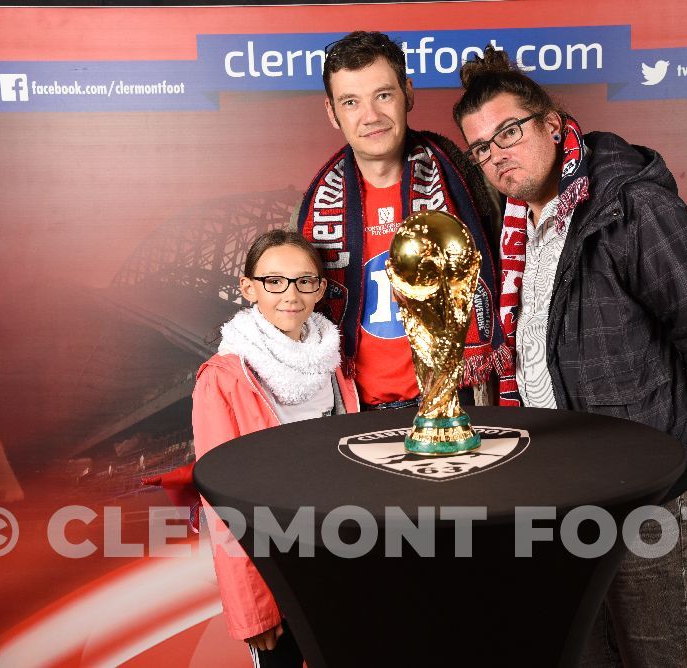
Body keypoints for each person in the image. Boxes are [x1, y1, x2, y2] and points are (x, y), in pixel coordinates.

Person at [453, 48, 687, 666]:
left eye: (508, 132)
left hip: (646, 484)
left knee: (663, 656)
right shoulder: (510, 223)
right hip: (554, 485)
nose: (497, 155)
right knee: (586, 654)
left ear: (550, 120)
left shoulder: (629, 206)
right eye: (482, 149)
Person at [295, 31, 508, 410]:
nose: (371, 117)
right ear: (332, 112)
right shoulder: (315, 209)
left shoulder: (471, 185)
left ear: (408, 94)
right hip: (352, 410)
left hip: (458, 402)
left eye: (383, 95)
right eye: (350, 101)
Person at [192, 229, 358, 666]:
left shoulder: (333, 360)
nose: (291, 294)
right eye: (274, 281)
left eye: (305, 281)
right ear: (248, 288)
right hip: (277, 568)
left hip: (345, 554)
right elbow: (222, 506)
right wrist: (254, 607)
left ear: (321, 288)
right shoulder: (223, 379)